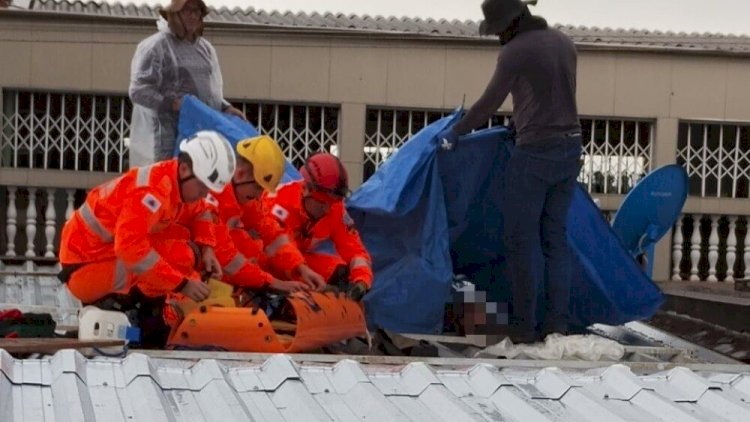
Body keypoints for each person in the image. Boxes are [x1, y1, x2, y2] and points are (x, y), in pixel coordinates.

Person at [436, 0, 583, 343]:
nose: (498, 37)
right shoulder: (564, 42)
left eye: (499, 30)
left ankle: (523, 330)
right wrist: (519, 122)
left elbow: (489, 101)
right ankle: (556, 327)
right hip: (571, 147)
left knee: (521, 242)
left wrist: (455, 133)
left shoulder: (516, 51)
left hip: (535, 153)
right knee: (555, 241)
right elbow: (547, 97)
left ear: (509, 23)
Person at [58, 130, 236, 307]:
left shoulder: (176, 183)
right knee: (181, 256)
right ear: (184, 169)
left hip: (100, 254)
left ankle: (162, 305)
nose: (204, 194)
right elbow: (130, 248)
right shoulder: (151, 193)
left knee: (183, 243)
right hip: (84, 269)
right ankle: (156, 312)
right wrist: (181, 284)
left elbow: (201, 211)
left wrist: (207, 248)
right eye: (203, 186)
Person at [128, 0, 245, 167]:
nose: (192, 16)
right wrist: (171, 103)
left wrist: (225, 107)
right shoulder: (156, 46)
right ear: (175, 14)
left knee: (197, 179)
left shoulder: (205, 49)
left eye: (196, 11)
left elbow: (211, 90)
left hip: (201, 132)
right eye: (187, 11)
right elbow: (139, 90)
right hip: (167, 134)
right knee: (169, 178)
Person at [207, 135, 326, 293]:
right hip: (183, 271)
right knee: (241, 242)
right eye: (258, 188)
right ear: (240, 174)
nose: (259, 196)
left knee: (252, 246)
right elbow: (224, 255)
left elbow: (272, 234)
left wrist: (300, 267)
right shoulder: (211, 197)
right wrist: (274, 283)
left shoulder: (242, 195)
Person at [265, 153, 373, 301]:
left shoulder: (335, 208)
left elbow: (355, 250)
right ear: (306, 190)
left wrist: (361, 280)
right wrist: (305, 274)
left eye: (332, 203)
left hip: (298, 261)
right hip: (266, 261)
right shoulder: (278, 204)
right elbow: (280, 251)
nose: (327, 210)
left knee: (339, 271)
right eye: (322, 203)